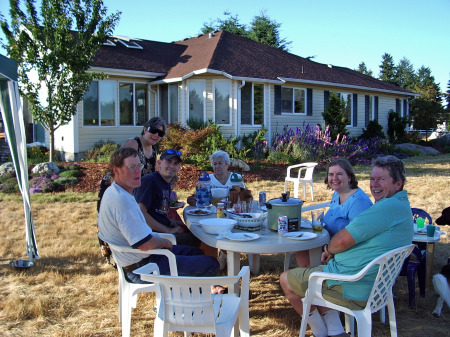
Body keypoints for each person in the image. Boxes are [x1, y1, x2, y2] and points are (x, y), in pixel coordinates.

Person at [280, 155, 414, 337]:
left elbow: (342, 240)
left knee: (286, 279)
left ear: (398, 184)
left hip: (353, 285)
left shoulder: (384, 208)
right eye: (372, 178)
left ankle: (320, 332)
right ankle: (334, 330)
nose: (374, 184)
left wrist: (328, 249)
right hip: (370, 282)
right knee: (309, 265)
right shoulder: (399, 205)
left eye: (381, 179)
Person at [97, 147, 219, 283]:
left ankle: (193, 289)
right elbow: (145, 244)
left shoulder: (116, 192)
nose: (138, 171)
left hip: (140, 258)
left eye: (139, 166)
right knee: (212, 263)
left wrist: (169, 230)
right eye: (131, 167)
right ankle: (192, 294)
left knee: (198, 253)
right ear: (116, 170)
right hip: (142, 268)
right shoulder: (122, 200)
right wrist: (165, 241)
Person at [296, 158, 373, 267]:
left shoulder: (358, 202)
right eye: (331, 174)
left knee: (304, 249)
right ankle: (308, 277)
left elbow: (358, 238)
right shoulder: (338, 193)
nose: (334, 178)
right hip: (329, 242)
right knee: (301, 246)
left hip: (345, 251)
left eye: (340, 174)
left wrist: (331, 251)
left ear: (350, 177)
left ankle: (313, 277)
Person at [97, 117, 167, 211]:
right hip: (116, 186)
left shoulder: (153, 151)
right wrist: (118, 193)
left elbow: (151, 177)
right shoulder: (134, 144)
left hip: (133, 191)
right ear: (145, 129)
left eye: (160, 133)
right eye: (154, 130)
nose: (156, 135)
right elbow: (117, 165)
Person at [134, 149, 200, 247]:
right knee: (199, 238)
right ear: (159, 163)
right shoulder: (149, 181)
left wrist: (173, 222)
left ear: (179, 167)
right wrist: (169, 230)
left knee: (197, 231)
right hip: (153, 238)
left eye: (176, 163)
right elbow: (140, 214)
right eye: (168, 162)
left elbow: (158, 213)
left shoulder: (165, 184)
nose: (172, 166)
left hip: (162, 231)